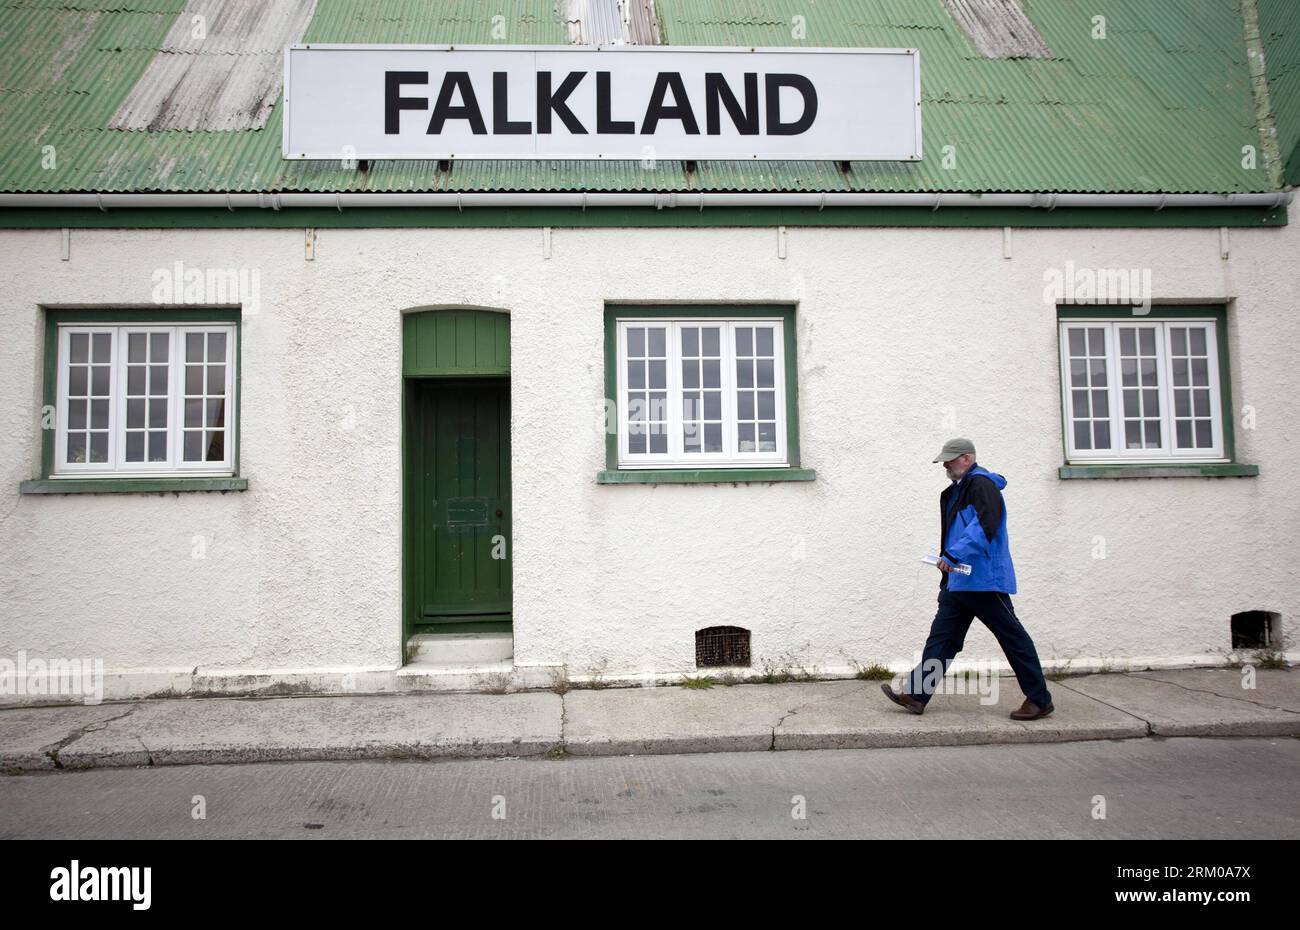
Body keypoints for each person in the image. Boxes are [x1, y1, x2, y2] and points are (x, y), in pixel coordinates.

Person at [881, 438, 1055, 720]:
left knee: (1013, 638)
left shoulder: (981, 485)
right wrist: (948, 564)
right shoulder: (958, 490)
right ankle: (916, 695)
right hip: (959, 582)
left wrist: (952, 555)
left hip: (984, 580)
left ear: (967, 458)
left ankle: (1039, 699)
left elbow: (985, 526)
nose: (946, 465)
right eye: (944, 461)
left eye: (950, 459)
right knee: (942, 640)